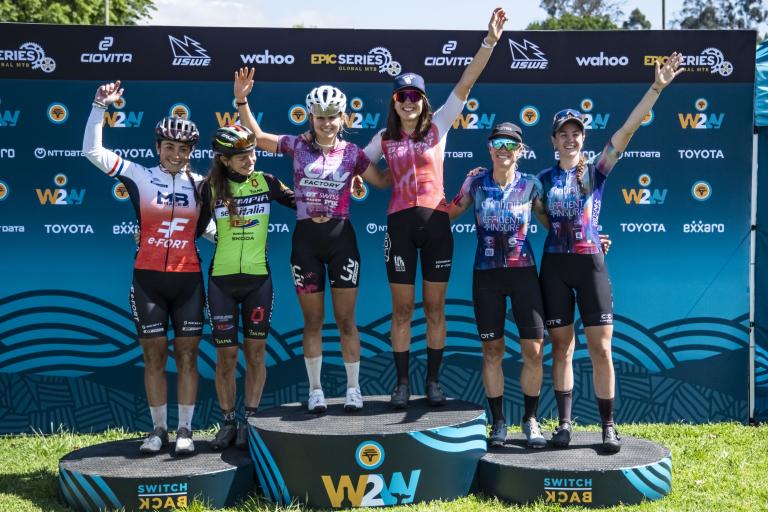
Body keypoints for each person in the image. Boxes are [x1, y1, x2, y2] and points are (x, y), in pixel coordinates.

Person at [363, 7, 507, 408]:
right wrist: (382, 178)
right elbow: (356, 164)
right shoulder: (383, 139)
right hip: (399, 228)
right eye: (401, 96)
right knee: (403, 309)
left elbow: (467, 81)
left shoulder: (439, 125)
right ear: (394, 102)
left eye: (414, 96)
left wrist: (490, 41)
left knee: (436, 308)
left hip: (437, 225)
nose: (408, 102)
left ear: (423, 101)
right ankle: (403, 383)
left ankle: (434, 382)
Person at [539, 52, 683, 453]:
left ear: (583, 138)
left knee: (602, 347)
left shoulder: (597, 170)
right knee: (561, 347)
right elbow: (538, 218)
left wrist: (656, 87)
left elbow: (628, 129)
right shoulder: (541, 180)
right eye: (563, 133)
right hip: (554, 267)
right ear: (553, 140)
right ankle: (564, 425)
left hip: (590, 266)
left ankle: (607, 425)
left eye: (576, 132)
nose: (570, 138)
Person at [234, 68, 391, 413]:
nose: (327, 123)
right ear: (312, 117)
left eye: (333, 117)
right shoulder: (297, 145)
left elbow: (380, 180)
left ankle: (353, 389)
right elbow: (258, 137)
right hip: (305, 241)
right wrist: (242, 100)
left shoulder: (352, 153)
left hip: (342, 240)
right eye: (320, 117)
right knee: (313, 322)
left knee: (347, 321)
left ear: (342, 117)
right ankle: (316, 390)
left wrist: (407, 157)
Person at [83, 81, 206, 455]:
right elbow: (92, 150)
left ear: (190, 152)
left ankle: (185, 429)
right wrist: (99, 106)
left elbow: (214, 225)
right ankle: (158, 430)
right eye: (169, 147)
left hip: (188, 281)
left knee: (187, 355)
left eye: (183, 148)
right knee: (153, 354)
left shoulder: (202, 185)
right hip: (148, 280)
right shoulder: (138, 174)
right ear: (158, 148)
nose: (175, 154)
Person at [449, 122, 548, 448]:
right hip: (487, 275)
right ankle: (499, 423)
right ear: (490, 148)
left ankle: (530, 420)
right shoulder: (477, 183)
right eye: (498, 142)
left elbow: (556, 224)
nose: (504, 148)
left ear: (520, 150)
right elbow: (447, 214)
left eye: (511, 143)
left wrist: (590, 235)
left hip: (524, 274)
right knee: (492, 351)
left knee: (533, 351)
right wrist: (462, 187)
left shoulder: (532, 185)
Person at [202, 125, 296, 449]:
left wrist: (334, 188)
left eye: (253, 153)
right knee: (226, 357)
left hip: (258, 281)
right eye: (241, 157)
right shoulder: (211, 187)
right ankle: (229, 421)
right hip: (221, 283)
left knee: (256, 354)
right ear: (225, 160)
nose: (250, 160)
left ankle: (250, 420)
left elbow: (301, 202)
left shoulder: (266, 182)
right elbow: (193, 225)